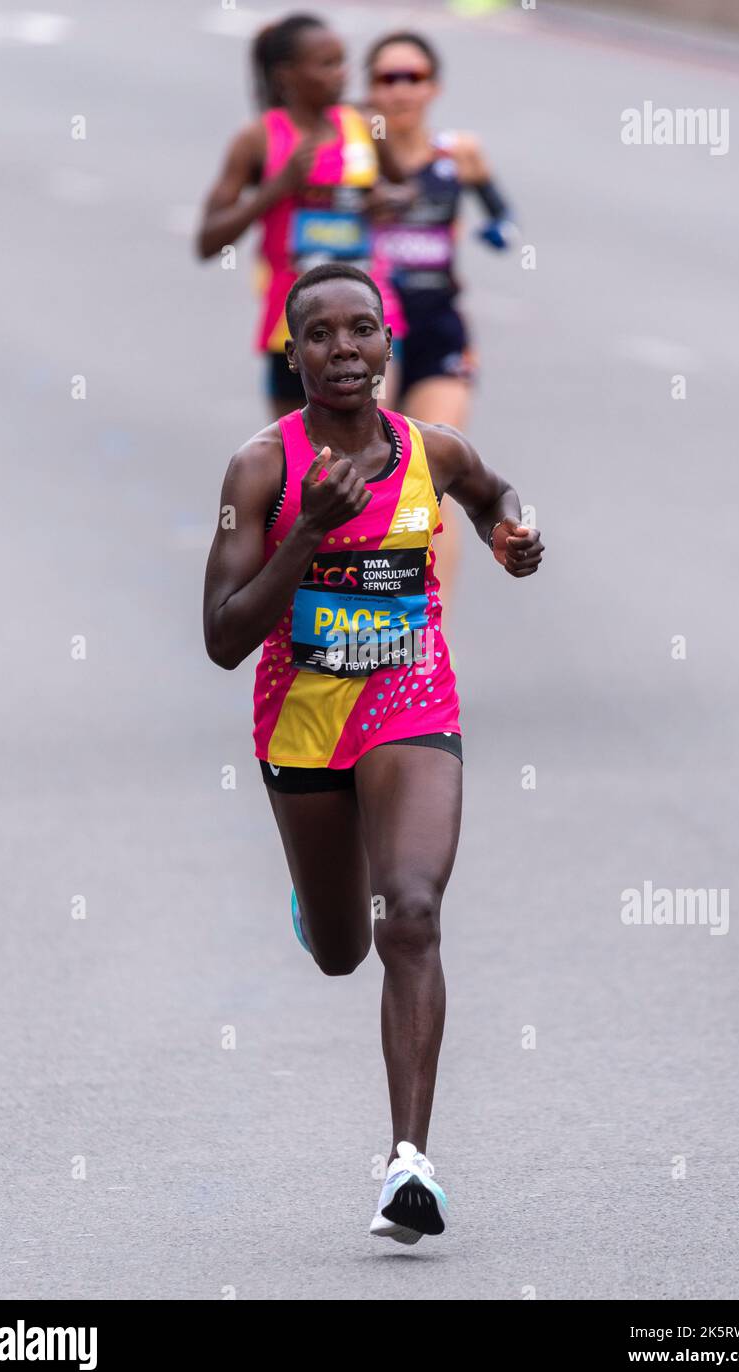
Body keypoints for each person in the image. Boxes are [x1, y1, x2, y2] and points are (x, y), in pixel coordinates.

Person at [203, 263, 544, 1242]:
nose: (344, 350)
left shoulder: (431, 450)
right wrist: (308, 528)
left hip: (410, 699)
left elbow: (494, 492)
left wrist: (513, 534)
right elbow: (224, 637)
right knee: (346, 950)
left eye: (363, 331)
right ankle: (325, 899)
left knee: (416, 912)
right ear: (293, 350)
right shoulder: (259, 470)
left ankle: (409, 1164)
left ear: (389, 347)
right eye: (321, 335)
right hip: (304, 720)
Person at [363, 31, 516, 625]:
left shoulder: (460, 154)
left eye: (414, 77)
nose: (401, 89)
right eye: (388, 78)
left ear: (434, 87)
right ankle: (362, 617)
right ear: (370, 87)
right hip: (368, 339)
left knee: (433, 477)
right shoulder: (352, 155)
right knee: (368, 478)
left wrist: (500, 231)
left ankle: (432, 638)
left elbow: (503, 213)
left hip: (440, 332)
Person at [195, 12, 410, 419]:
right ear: (286, 75)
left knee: (373, 441)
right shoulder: (258, 138)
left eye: (343, 61)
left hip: (369, 311)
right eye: (327, 64)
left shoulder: (366, 125)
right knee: (302, 469)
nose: (342, 74)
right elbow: (208, 241)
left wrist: (390, 199)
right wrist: (278, 188)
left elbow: (407, 187)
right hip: (294, 328)